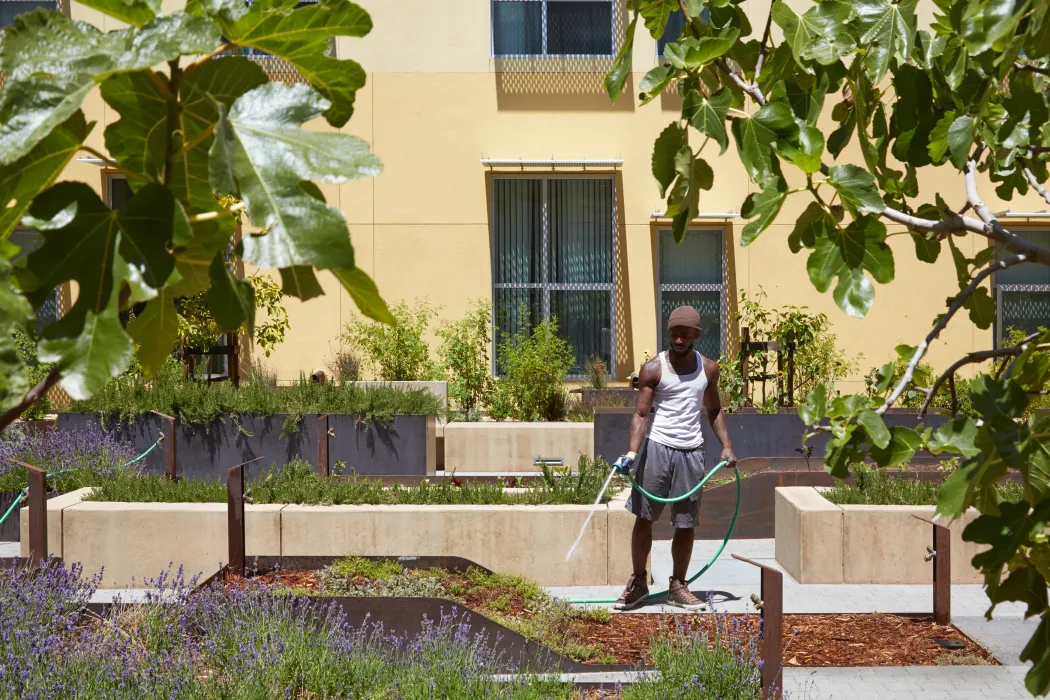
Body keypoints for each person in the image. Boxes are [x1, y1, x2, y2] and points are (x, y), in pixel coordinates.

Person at [613, 305, 737, 611]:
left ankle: (678, 586)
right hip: (657, 449)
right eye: (674, 334)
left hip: (691, 452)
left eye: (684, 335)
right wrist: (631, 452)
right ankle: (639, 582)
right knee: (644, 518)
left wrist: (726, 445)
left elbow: (714, 410)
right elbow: (641, 413)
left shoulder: (708, 369)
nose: (678, 340)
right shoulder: (653, 369)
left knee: (685, 522)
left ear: (696, 335)